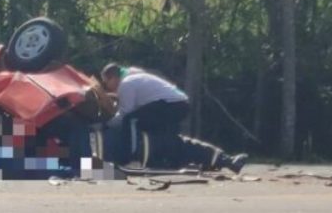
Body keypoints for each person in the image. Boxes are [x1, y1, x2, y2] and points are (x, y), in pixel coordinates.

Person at [101, 63, 248, 172]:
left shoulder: (126, 84)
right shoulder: (134, 76)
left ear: (113, 77)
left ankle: (131, 159)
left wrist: (105, 124)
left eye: (106, 81)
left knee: (130, 121)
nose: (106, 86)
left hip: (170, 105)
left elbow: (125, 112)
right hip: (178, 104)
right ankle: (225, 160)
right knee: (172, 142)